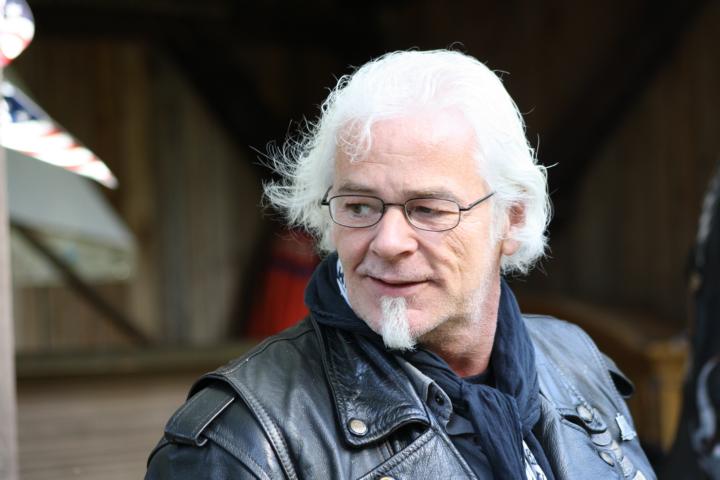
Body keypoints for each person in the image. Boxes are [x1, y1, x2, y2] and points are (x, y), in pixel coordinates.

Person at [145, 49, 655, 479]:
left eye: (429, 209)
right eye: (359, 206)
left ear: (512, 219)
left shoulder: (574, 360)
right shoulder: (241, 442)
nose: (388, 242)